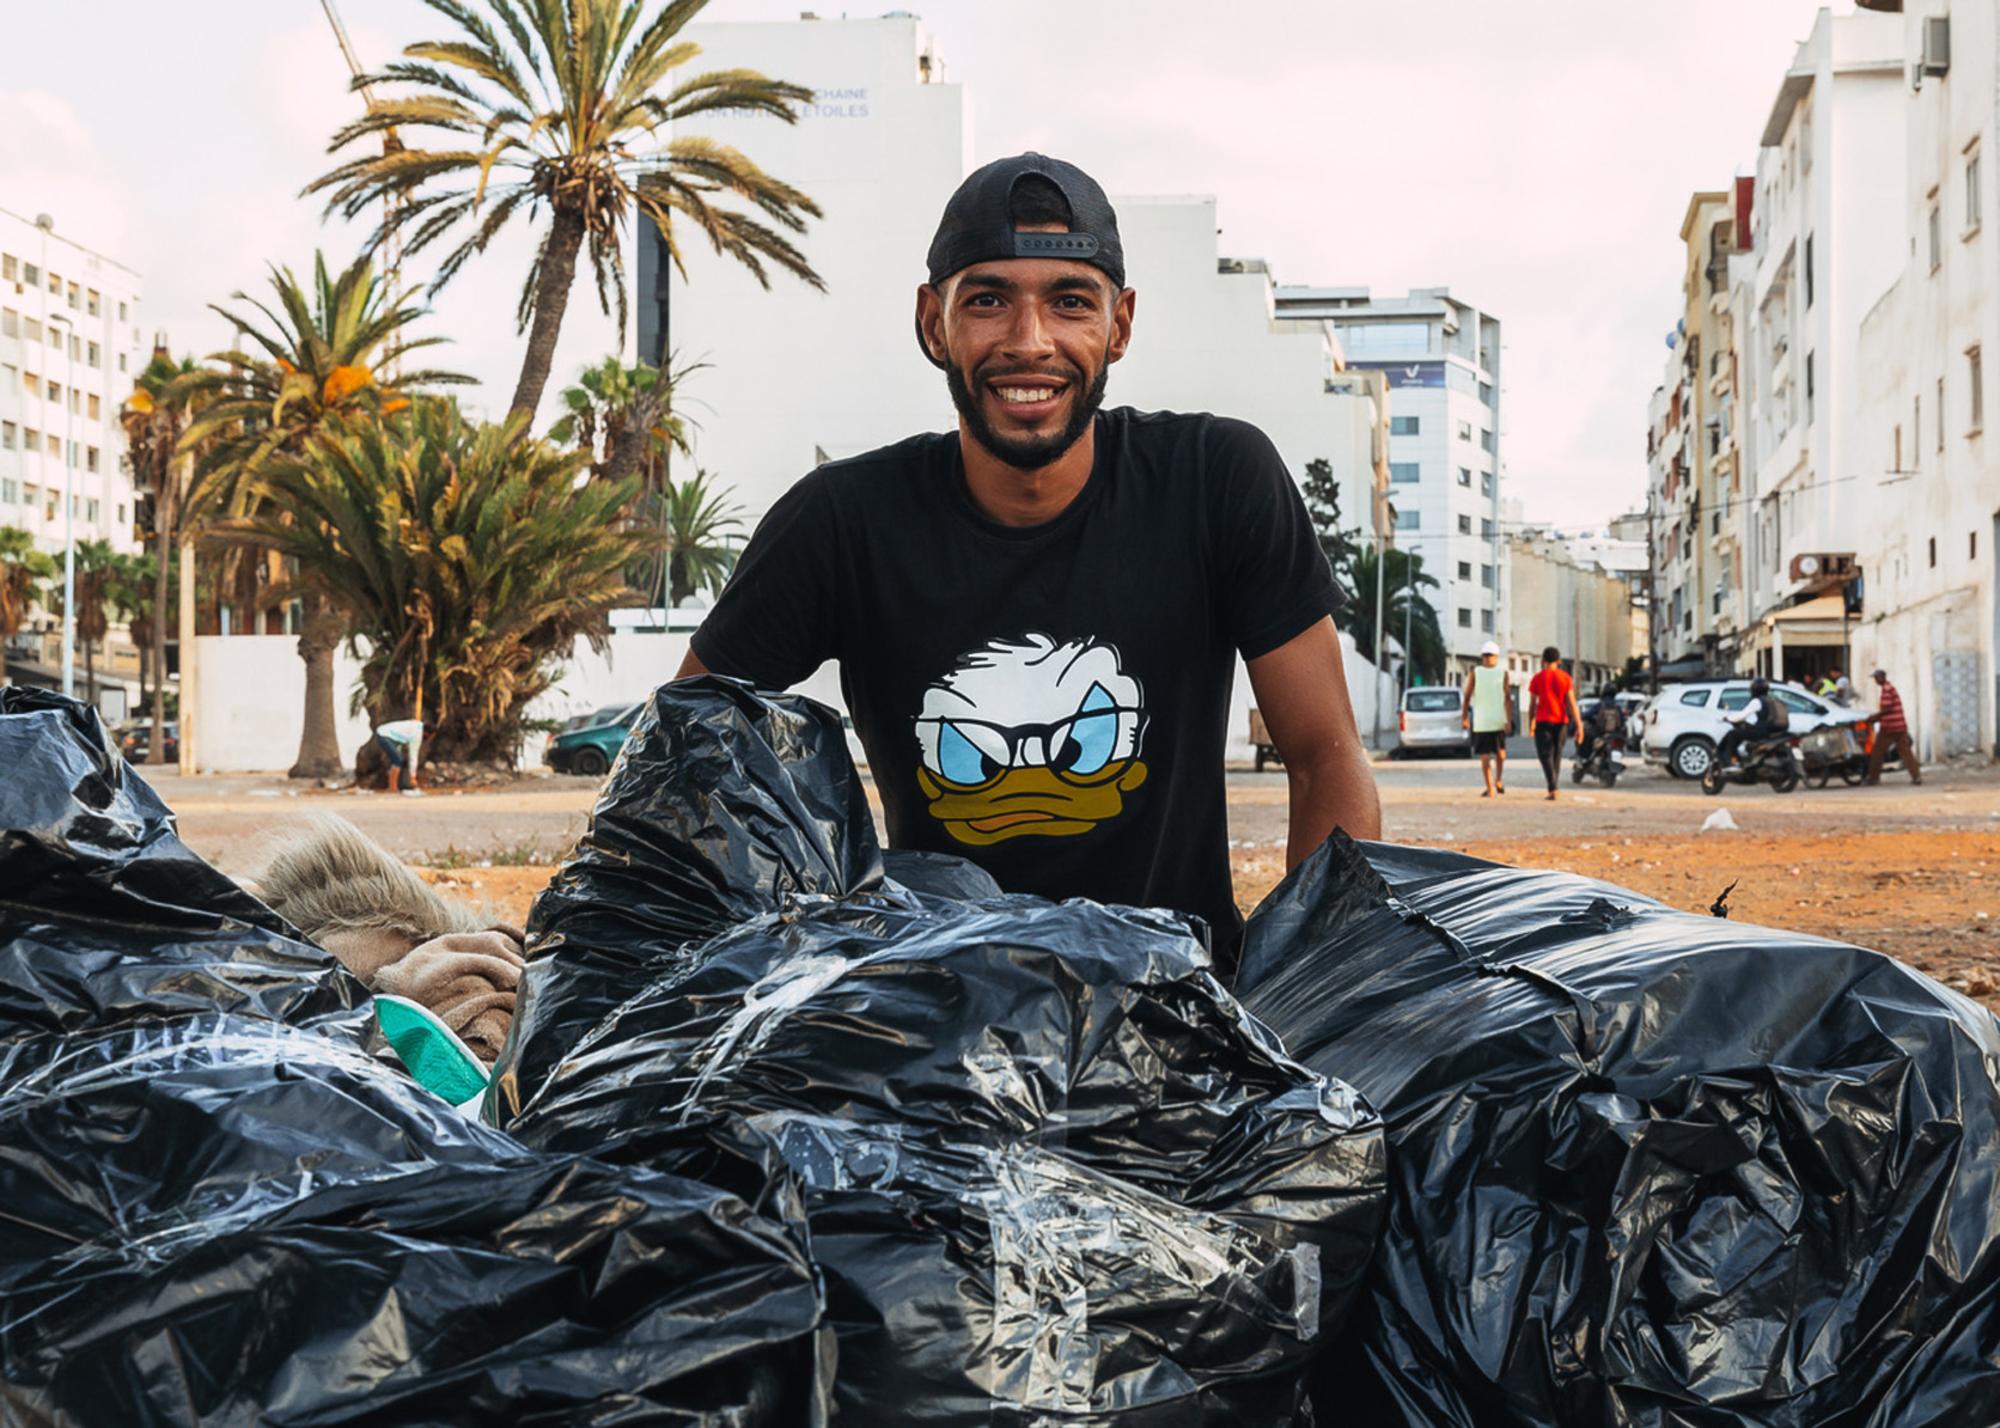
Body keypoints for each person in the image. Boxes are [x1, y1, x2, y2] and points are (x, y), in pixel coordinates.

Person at [676, 153, 1379, 973]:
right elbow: (681, 759)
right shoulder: (842, 522)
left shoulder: (1215, 482)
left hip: (1182, 1010)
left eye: (1070, 302)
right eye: (988, 301)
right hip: (934, 1017)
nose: (1029, 341)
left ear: (1119, 325)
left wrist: (1313, 987)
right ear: (933, 323)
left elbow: (1325, 758)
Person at [1526, 647, 1583, 800]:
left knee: (1545, 755)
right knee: (1556, 755)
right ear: (1559, 661)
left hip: (1543, 721)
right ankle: (1553, 787)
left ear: (1543, 660)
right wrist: (1579, 725)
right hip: (1561, 722)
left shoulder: (1537, 678)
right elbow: (1572, 703)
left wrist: (1531, 721)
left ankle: (1553, 787)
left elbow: (1532, 704)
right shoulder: (1565, 678)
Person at [1460, 641, 1512, 797]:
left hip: (1498, 720)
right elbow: (1467, 696)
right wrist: (1465, 717)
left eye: (1491, 655)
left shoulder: (1503, 674)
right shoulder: (1476, 673)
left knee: (1501, 754)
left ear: (1496, 657)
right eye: (1486, 655)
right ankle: (1490, 787)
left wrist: (1508, 719)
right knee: (1485, 756)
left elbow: (1507, 698)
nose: (1488, 658)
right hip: (1482, 721)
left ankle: (1498, 780)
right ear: (1482, 657)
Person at [1865, 668, 1922, 785]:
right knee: (1906, 753)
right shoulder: (1890, 688)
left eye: (1876, 678)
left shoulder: (1886, 690)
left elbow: (1887, 709)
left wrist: (1874, 717)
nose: (1875, 680)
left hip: (1889, 727)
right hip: (1900, 726)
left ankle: (1873, 778)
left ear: (1882, 677)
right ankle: (1916, 776)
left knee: (1877, 752)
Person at [1715, 676, 1785, 769]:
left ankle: (1732, 762)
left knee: (1732, 735)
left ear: (1754, 689)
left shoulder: (1757, 701)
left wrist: (1727, 718)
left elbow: (1741, 715)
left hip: (1761, 732)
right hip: (1773, 732)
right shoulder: (1772, 699)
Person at [373, 716, 425, 796]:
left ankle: (397, 786)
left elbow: (399, 738)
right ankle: (392, 788)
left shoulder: (418, 725)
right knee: (398, 760)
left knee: (398, 759)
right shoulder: (417, 735)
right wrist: (413, 777)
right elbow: (413, 757)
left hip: (386, 733)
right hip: (384, 735)